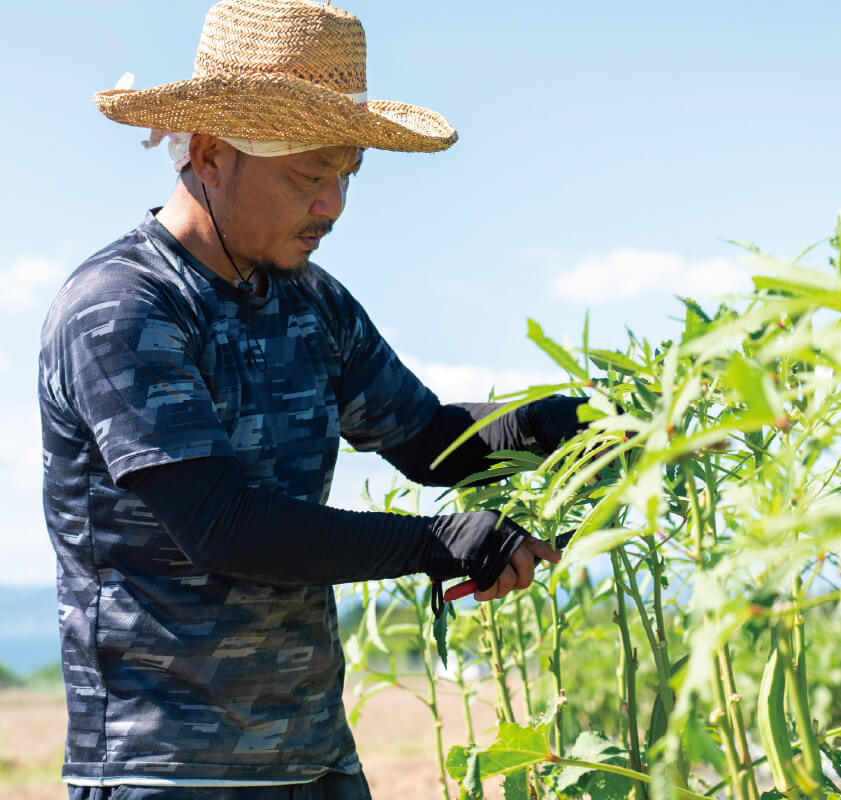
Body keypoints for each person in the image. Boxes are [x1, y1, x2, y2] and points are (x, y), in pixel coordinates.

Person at [39, 1, 586, 797]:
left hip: (316, 759)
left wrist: (581, 424)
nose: (332, 204)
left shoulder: (313, 304)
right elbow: (224, 527)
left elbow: (435, 443)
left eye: (346, 174)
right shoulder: (124, 306)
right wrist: (439, 543)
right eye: (308, 174)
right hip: (166, 769)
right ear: (211, 154)